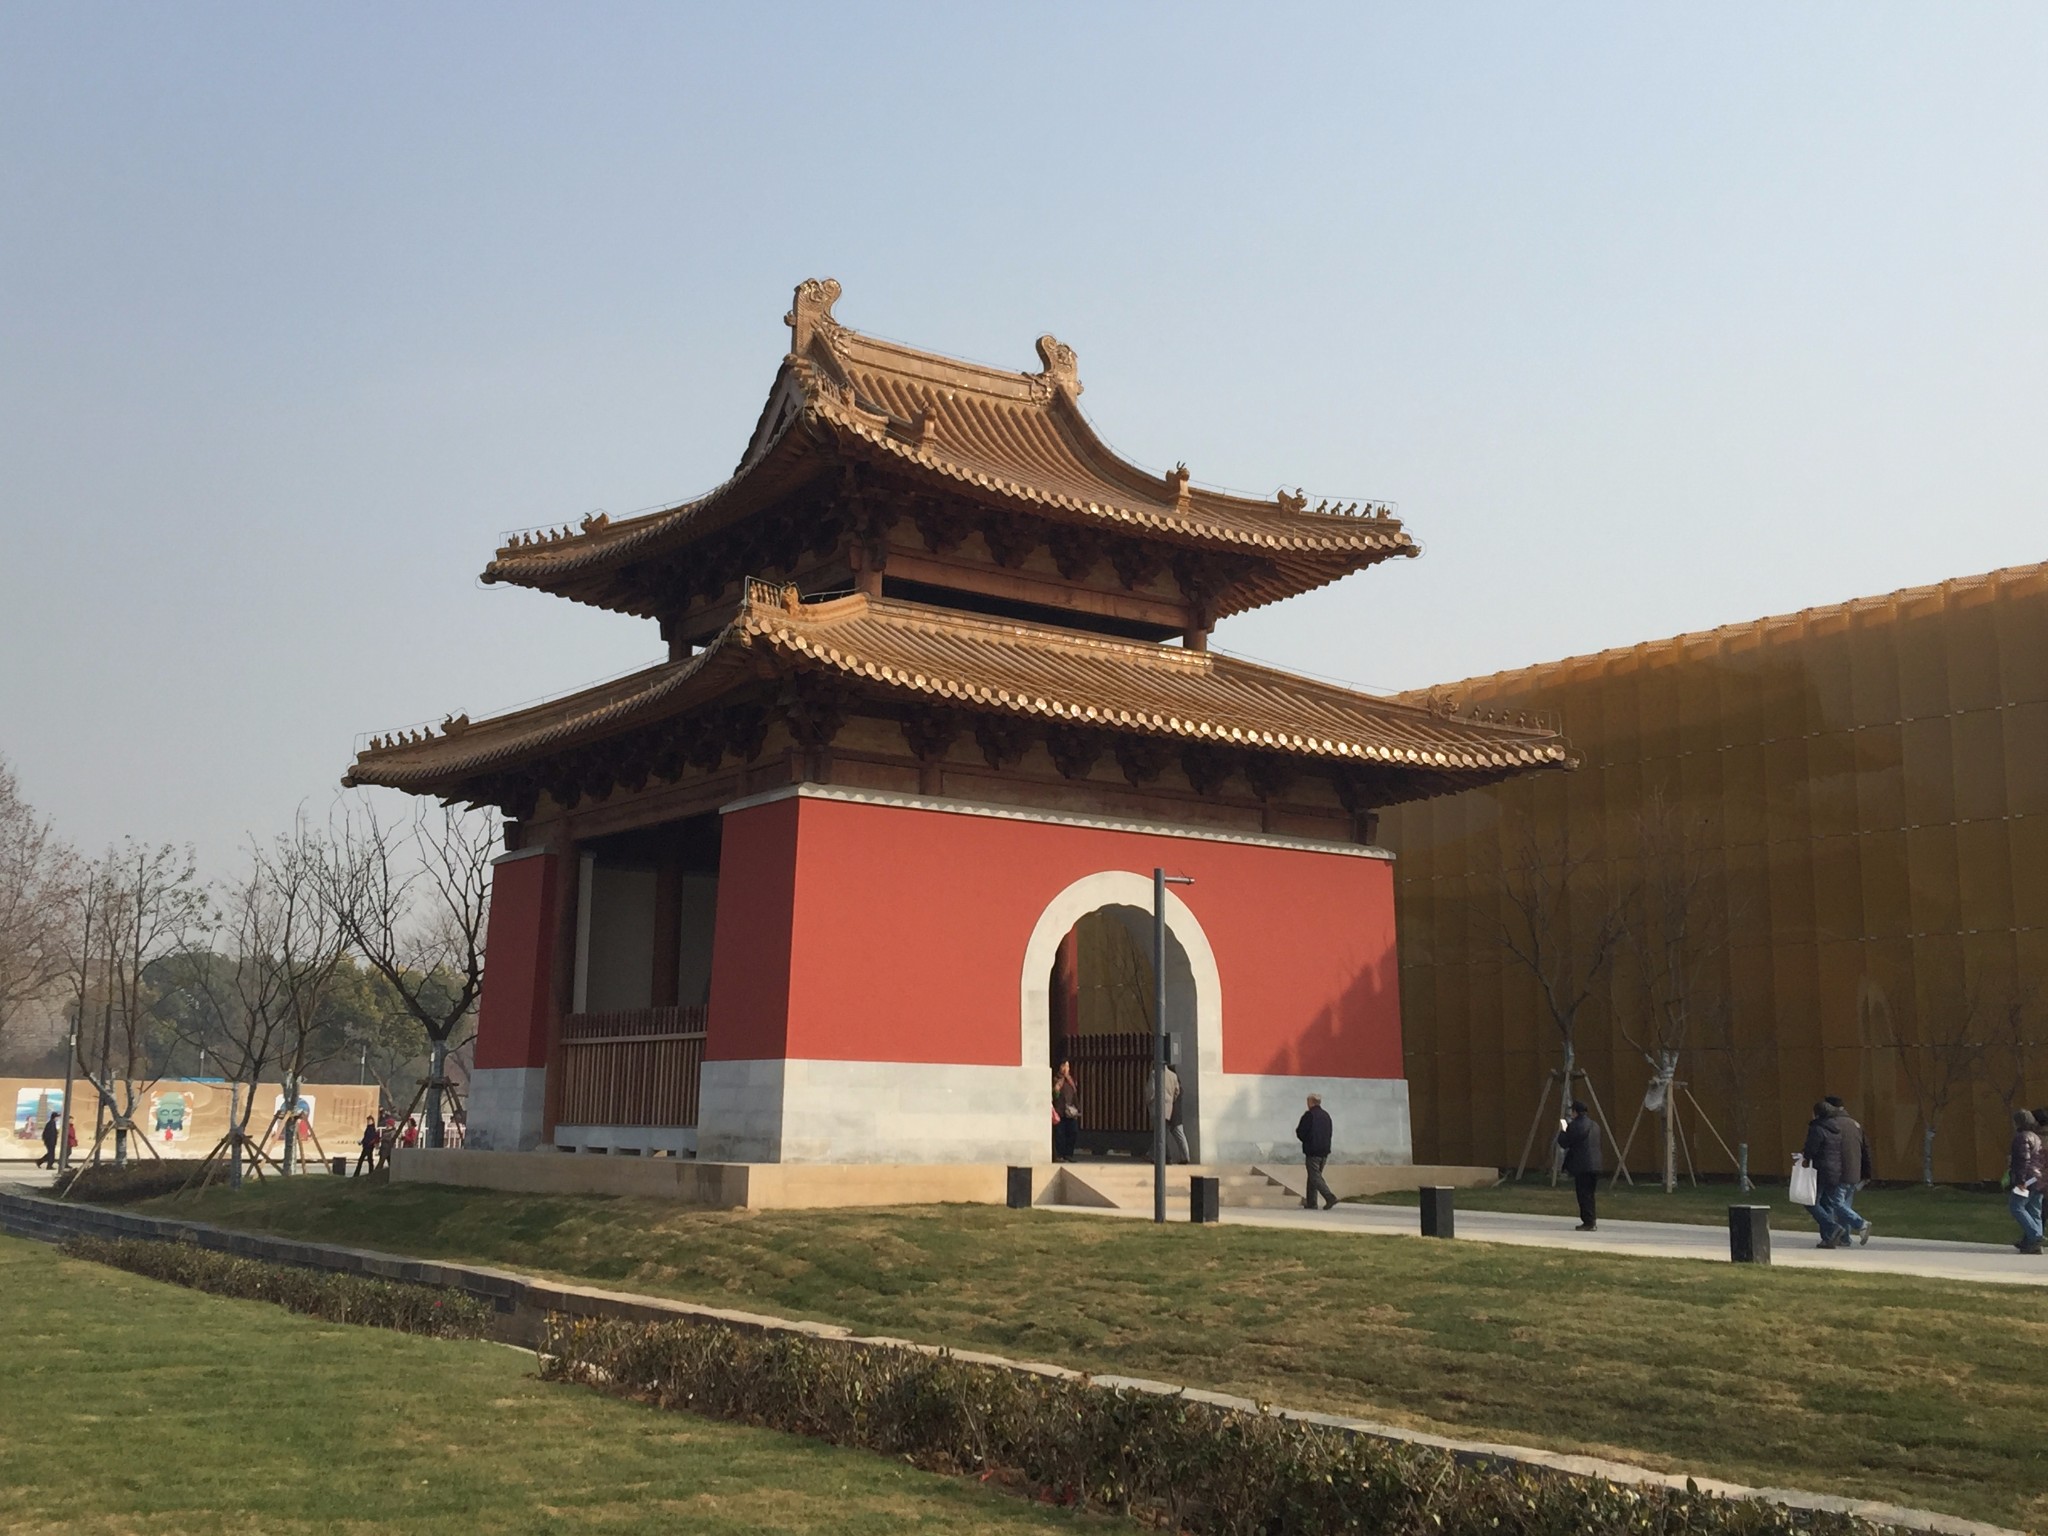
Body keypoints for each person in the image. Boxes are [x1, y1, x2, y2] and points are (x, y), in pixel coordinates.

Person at [1823, 1095, 1873, 1246]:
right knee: (1845, 1205)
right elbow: (1866, 1150)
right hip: (1854, 1171)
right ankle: (1844, 1238)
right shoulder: (1855, 1124)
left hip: (1839, 1171)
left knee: (1836, 1204)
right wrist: (1866, 1173)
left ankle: (1861, 1224)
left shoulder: (1832, 1124)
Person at [1801, 1100, 1847, 1248]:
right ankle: (1828, 1239)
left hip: (1820, 1170)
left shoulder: (1817, 1128)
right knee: (1827, 1203)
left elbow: (1811, 1149)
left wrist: (1805, 1158)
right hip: (1835, 1171)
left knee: (1810, 1202)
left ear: (1817, 1113)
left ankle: (1832, 1227)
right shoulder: (1836, 1130)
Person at [1556, 1100, 1603, 1230]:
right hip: (1596, 1164)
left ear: (1575, 1112)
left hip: (1582, 1165)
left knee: (1583, 1194)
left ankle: (1588, 1222)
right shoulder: (1595, 1125)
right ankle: (1591, 1220)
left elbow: (1564, 1142)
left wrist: (1563, 1130)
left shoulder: (1576, 1125)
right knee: (1590, 1194)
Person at [2007, 1109, 2044, 1256]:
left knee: (2016, 1206)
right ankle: (2032, 1243)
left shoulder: (2022, 1137)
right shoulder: (2036, 1137)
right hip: (2039, 1177)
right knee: (2034, 1209)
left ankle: (2035, 1235)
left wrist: (2021, 1180)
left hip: (2027, 1178)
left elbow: (2023, 1160)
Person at [1145, 1061, 1191, 1164]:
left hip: (1157, 1107)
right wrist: (1170, 1101)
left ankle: (1163, 1157)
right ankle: (1161, 1156)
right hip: (1168, 1108)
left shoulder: (1154, 1074)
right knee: (1163, 1133)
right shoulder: (1173, 1076)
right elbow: (1177, 1092)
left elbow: (1151, 1091)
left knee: (1160, 1133)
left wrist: (1147, 1101)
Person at [1296, 1093, 1336, 1210]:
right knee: (1314, 1176)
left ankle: (1329, 1197)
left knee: (1314, 1176)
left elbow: (1301, 1132)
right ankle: (1311, 1202)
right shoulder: (1326, 1115)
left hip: (1313, 1150)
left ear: (1311, 1102)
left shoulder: (1309, 1115)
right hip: (1324, 1150)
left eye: (1308, 1101)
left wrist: (1305, 1140)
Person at [1052, 1061, 1080, 1162]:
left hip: (1070, 1111)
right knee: (1060, 1134)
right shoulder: (1056, 1079)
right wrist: (1056, 1090)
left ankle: (1069, 1154)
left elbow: (1075, 1095)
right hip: (1060, 1110)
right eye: (1063, 1065)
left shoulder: (1071, 1080)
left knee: (1073, 1132)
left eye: (1067, 1066)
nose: (1065, 1068)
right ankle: (1060, 1155)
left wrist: (1078, 1108)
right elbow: (1055, 1096)